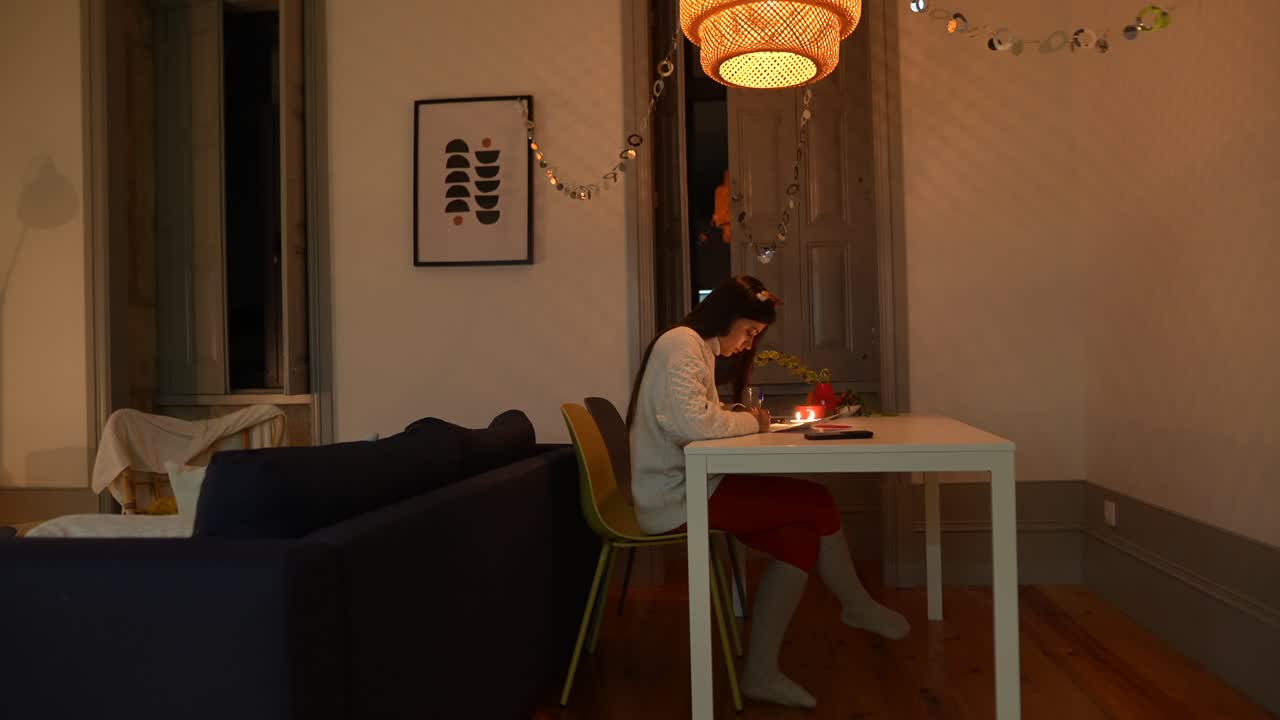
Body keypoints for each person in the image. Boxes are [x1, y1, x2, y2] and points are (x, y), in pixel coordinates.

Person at [627, 275, 909, 710]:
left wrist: (733, 415)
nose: (747, 343)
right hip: (676, 498)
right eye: (749, 331)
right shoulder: (681, 343)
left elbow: (694, 416)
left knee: (798, 538)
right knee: (816, 501)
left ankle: (760, 672)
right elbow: (690, 425)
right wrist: (751, 423)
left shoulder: (692, 347)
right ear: (725, 317)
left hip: (692, 484)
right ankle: (856, 604)